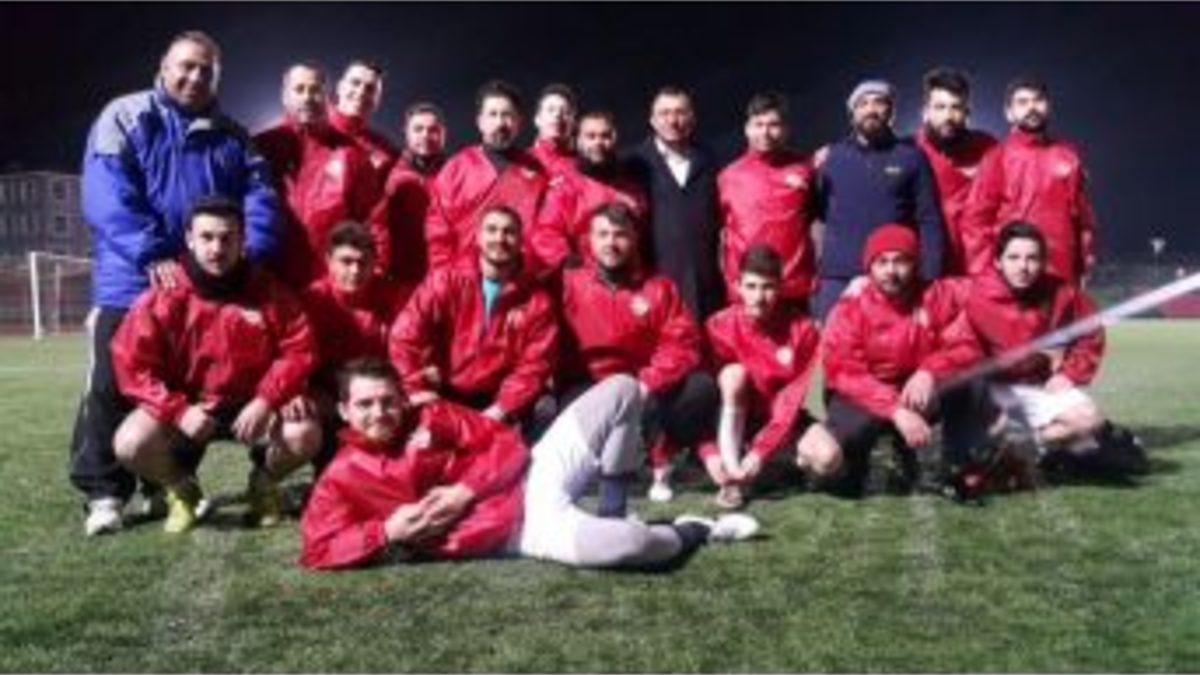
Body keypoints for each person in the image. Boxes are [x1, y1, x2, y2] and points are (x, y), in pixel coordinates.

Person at [72, 30, 281, 536]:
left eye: (206, 70)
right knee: (110, 387)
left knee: (184, 390)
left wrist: (249, 256)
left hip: (201, 287)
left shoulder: (234, 136)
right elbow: (107, 196)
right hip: (131, 280)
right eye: (186, 65)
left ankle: (163, 483)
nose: (195, 76)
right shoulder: (124, 116)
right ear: (163, 66)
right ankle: (104, 493)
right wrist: (154, 253)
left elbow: (260, 200)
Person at [300, 361, 758, 571]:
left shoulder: (432, 414)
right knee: (633, 545)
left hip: (531, 479)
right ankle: (695, 529)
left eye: (387, 401)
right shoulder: (341, 476)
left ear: (403, 398)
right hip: (521, 531)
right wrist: (385, 532)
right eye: (365, 405)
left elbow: (506, 443)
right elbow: (316, 548)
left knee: (622, 388)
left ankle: (614, 509)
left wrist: (464, 490)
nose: (379, 413)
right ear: (342, 411)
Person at [110, 196, 320, 533]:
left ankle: (263, 484)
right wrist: (178, 411)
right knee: (130, 443)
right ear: (189, 239)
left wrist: (268, 399)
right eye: (207, 237)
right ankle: (182, 490)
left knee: (304, 431)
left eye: (227, 238)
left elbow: (298, 349)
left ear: (242, 240)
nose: (217, 248)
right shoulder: (163, 296)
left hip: (252, 406)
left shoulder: (269, 291)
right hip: (190, 408)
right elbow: (132, 365)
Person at [796, 225, 980, 496]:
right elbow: (845, 372)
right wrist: (896, 411)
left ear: (915, 263)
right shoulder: (850, 308)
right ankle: (815, 453)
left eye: (900, 261)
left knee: (971, 382)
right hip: (865, 395)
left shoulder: (938, 296)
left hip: (916, 391)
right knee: (825, 458)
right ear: (869, 267)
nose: (891, 271)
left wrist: (929, 371)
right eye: (882, 262)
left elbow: (967, 342)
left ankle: (958, 465)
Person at [558, 202, 718, 502]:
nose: (611, 243)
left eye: (620, 235)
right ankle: (612, 462)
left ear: (634, 238)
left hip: (646, 387)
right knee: (564, 409)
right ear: (589, 239)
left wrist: (646, 384)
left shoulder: (659, 287)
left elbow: (682, 343)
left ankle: (662, 453)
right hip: (591, 387)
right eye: (603, 234)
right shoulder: (569, 284)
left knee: (702, 389)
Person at [389, 206, 558, 434]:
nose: (499, 238)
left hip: (498, 400)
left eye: (509, 232)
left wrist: (500, 409)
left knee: (545, 408)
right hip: (442, 391)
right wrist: (415, 389)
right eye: (492, 230)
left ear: (521, 240)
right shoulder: (446, 279)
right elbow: (404, 335)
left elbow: (535, 365)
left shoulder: (536, 300)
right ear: (477, 236)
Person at [958, 221, 1108, 466]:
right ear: (998, 261)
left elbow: (1091, 331)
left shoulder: (1062, 292)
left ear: (1043, 261)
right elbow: (956, 349)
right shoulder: (974, 295)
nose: (1023, 267)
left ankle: (1027, 444)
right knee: (976, 446)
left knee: (1091, 421)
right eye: (1014, 258)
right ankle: (999, 445)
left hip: (1037, 386)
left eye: (1032, 258)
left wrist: (1070, 374)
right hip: (991, 390)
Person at [813, 79, 946, 320]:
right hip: (838, 277)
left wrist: (928, 278)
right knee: (831, 341)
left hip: (892, 276)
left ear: (891, 111)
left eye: (879, 102)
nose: (871, 109)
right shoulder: (831, 158)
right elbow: (819, 212)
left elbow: (929, 220)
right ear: (852, 113)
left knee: (896, 342)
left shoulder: (912, 157)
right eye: (863, 104)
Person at [701, 245, 821, 508]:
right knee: (733, 375)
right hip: (738, 421)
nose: (758, 296)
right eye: (751, 286)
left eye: (768, 287)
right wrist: (708, 452)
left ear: (781, 287)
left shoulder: (803, 330)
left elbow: (795, 401)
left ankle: (779, 465)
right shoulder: (718, 327)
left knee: (828, 458)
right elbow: (702, 401)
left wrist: (761, 451)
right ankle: (732, 476)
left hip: (781, 423)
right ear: (737, 286)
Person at [255, 62, 380, 288]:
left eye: (315, 90)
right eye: (299, 89)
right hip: (268, 283)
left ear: (327, 97)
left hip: (325, 286)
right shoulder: (260, 147)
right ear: (285, 96)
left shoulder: (352, 155)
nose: (307, 97)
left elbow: (369, 224)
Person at [961, 77, 1098, 284]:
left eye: (1038, 100)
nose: (1031, 107)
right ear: (1009, 113)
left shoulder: (1068, 155)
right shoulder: (997, 158)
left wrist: (1085, 262)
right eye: (1022, 102)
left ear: (1048, 107)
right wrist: (987, 276)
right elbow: (975, 222)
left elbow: (1084, 219)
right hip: (1014, 277)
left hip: (1061, 273)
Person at [301, 221, 413, 472]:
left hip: (379, 393)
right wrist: (301, 390)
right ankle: (267, 475)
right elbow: (295, 355)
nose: (355, 270)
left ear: (375, 263)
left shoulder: (396, 298)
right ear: (328, 261)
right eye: (346, 261)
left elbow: (410, 350)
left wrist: (406, 388)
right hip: (328, 394)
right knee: (301, 427)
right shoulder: (311, 301)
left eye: (363, 262)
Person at [425, 80, 549, 272]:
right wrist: (446, 273)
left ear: (519, 122)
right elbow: (437, 228)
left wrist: (526, 272)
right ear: (480, 122)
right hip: (461, 276)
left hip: (518, 276)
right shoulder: (456, 167)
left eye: (507, 115)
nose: (500, 123)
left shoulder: (536, 172)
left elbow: (543, 231)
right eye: (493, 114)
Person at [625, 85, 723, 320]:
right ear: (652, 120)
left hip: (706, 284)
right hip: (654, 283)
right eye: (665, 113)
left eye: (680, 112)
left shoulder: (709, 161)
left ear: (692, 118)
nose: (673, 120)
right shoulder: (633, 165)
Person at [717, 92, 818, 308]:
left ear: (785, 129)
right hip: (746, 293)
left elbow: (817, 215)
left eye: (773, 125)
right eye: (758, 124)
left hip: (793, 290)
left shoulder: (806, 169)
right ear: (747, 128)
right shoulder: (728, 176)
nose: (765, 132)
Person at [531, 109, 648, 274]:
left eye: (605, 136)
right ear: (578, 141)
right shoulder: (565, 188)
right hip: (583, 279)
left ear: (614, 139)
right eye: (591, 136)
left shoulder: (632, 191)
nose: (598, 142)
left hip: (627, 279)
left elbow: (642, 237)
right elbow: (545, 233)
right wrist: (570, 263)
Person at [913, 67, 998, 276]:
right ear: (925, 112)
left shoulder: (989, 148)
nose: (948, 116)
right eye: (940, 107)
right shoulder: (908, 151)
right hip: (926, 265)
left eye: (956, 107)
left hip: (979, 266)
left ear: (967, 112)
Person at [370, 101, 448, 284]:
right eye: (418, 129)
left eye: (433, 130)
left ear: (444, 134)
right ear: (406, 131)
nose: (425, 135)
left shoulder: (455, 173)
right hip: (397, 275)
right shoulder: (387, 171)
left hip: (442, 274)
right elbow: (376, 224)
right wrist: (381, 265)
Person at [328, 59, 399, 178]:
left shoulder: (385, 151)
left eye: (370, 89)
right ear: (339, 87)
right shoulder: (308, 130)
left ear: (377, 100)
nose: (361, 92)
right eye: (355, 83)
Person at [528, 83, 579, 177]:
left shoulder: (584, 166)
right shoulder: (521, 163)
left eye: (566, 112)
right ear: (537, 119)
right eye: (551, 110)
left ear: (574, 123)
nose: (558, 115)